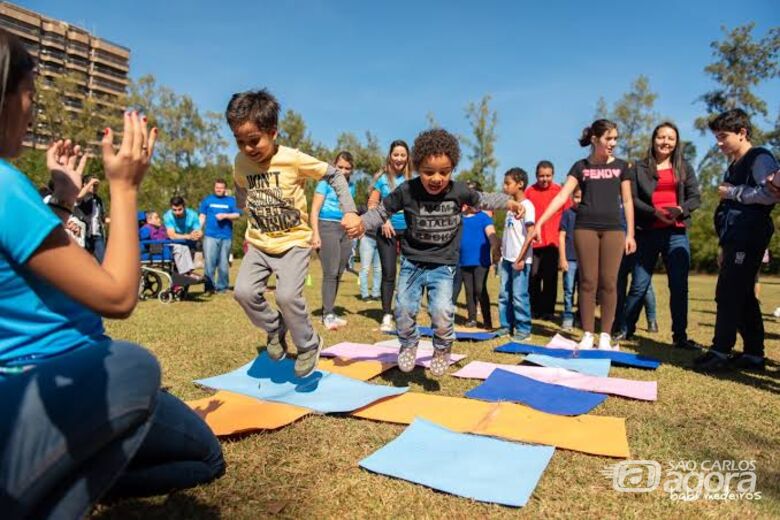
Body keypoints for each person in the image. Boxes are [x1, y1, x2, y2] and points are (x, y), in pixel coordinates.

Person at [0, 31, 223, 519]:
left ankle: (65, 468)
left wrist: (63, 198)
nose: (32, 112)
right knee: (137, 369)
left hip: (17, 381)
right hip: (60, 372)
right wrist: (125, 188)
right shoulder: (5, 185)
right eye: (30, 96)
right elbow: (118, 296)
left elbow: (36, 264)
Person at [353, 129, 523, 376]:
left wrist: (508, 202)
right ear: (417, 167)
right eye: (428, 172)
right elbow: (381, 211)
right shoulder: (407, 190)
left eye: (444, 172)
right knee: (403, 309)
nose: (436, 178)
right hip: (412, 262)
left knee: (442, 312)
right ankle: (408, 343)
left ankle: (442, 348)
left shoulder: (458, 190)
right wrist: (361, 223)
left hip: (443, 265)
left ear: (452, 169)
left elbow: (483, 199)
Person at [227, 89, 361, 378]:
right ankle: (275, 327)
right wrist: (242, 203)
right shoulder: (240, 161)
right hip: (260, 243)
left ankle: (308, 344)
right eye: (240, 141)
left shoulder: (293, 158)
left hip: (294, 243)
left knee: (287, 297)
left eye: (254, 140)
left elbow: (334, 174)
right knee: (243, 292)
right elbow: (239, 182)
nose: (247, 148)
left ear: (273, 132)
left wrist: (349, 210)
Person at [533, 119, 636, 350]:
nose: (613, 143)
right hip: (585, 228)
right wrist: (540, 221)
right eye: (609, 138)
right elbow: (561, 196)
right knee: (588, 282)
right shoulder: (580, 167)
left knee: (609, 282)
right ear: (595, 139)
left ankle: (605, 335)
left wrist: (630, 233)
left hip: (614, 230)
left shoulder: (622, 167)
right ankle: (588, 334)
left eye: (615, 139)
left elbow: (628, 201)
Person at [694, 109, 779, 372]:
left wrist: (733, 192)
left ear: (742, 133)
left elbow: (769, 195)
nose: (719, 143)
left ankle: (720, 350)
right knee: (743, 294)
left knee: (729, 291)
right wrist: (723, 244)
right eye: (716, 138)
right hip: (734, 236)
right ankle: (754, 355)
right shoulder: (734, 162)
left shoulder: (759, 158)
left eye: (723, 137)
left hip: (750, 233)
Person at [619, 122, 702, 349]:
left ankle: (680, 337)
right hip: (647, 232)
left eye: (671, 138)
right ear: (654, 139)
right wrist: (654, 212)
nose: (666, 142)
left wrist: (680, 209)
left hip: (676, 233)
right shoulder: (639, 167)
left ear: (676, 142)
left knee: (678, 286)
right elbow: (632, 199)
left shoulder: (684, 167)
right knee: (639, 284)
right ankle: (626, 329)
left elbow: (695, 197)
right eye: (661, 137)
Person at [368, 140, 413, 332]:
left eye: (403, 155)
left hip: (409, 231)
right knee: (388, 273)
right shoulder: (382, 179)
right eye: (396, 155)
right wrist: (384, 220)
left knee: (409, 272)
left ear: (407, 158)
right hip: (387, 231)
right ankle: (387, 314)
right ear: (390, 156)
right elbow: (372, 204)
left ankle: (405, 312)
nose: (399, 158)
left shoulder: (413, 180)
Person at [310, 151, 357, 330]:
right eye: (340, 167)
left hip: (344, 229)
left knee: (339, 271)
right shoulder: (324, 182)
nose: (343, 171)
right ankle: (327, 314)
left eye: (347, 168)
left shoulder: (351, 186)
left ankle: (329, 311)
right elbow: (314, 210)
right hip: (326, 226)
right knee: (330, 272)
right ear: (334, 166)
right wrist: (315, 234)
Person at [495, 168, 536, 341]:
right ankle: (506, 326)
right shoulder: (510, 207)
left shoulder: (527, 206)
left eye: (508, 183)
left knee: (519, 296)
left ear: (520, 184)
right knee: (504, 295)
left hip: (521, 260)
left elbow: (531, 234)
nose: (504, 187)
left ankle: (524, 330)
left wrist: (520, 259)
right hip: (507, 258)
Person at [526, 161, 570, 320]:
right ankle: (534, 309)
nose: (544, 179)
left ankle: (548, 311)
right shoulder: (529, 192)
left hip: (553, 243)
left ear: (553, 175)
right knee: (533, 276)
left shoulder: (560, 192)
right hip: (534, 243)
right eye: (541, 176)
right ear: (536, 175)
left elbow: (568, 215)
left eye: (548, 176)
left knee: (550, 277)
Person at [455, 180, 499, 329]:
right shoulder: (459, 218)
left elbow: (491, 235)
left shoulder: (484, 217)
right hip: (464, 260)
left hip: (481, 261)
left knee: (479, 289)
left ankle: (487, 321)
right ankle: (472, 318)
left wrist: (495, 248)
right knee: (469, 290)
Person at [199, 179, 241, 293]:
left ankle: (222, 287)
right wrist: (198, 229)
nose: (219, 189)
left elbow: (237, 215)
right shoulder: (208, 200)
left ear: (225, 189)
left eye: (221, 188)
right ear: (214, 188)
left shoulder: (231, 201)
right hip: (210, 236)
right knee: (209, 262)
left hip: (226, 236)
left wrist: (225, 216)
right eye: (217, 187)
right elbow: (202, 216)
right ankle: (209, 287)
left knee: (223, 263)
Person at [558, 186, 581, 331]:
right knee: (568, 290)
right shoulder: (567, 214)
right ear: (572, 198)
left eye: (582, 197)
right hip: (570, 259)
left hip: (585, 260)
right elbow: (561, 237)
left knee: (584, 290)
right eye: (576, 197)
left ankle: (581, 316)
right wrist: (563, 258)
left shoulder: (590, 216)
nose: (579, 200)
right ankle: (567, 316)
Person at [162, 197, 203, 278]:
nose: (177, 212)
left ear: (184, 207)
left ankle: (186, 281)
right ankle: (176, 283)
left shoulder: (193, 215)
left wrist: (198, 235)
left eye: (180, 209)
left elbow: (198, 230)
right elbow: (172, 235)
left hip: (189, 243)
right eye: (174, 210)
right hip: (175, 243)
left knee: (188, 269)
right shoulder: (167, 216)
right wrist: (188, 236)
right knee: (177, 268)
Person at [76, 175, 108, 262]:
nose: (94, 187)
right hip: (84, 234)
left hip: (97, 235)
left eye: (96, 185)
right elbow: (78, 197)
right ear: (85, 184)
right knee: (82, 261)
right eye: (92, 185)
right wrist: (90, 183)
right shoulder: (82, 197)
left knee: (103, 261)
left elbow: (102, 218)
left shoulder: (98, 200)